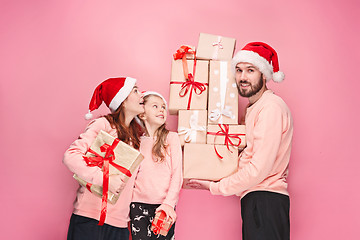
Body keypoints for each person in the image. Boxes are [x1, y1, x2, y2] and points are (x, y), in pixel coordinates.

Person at [188, 42, 293, 240]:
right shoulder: (255, 108)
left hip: (266, 200)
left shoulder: (270, 108)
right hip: (257, 200)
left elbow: (258, 169)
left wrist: (215, 186)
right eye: (238, 70)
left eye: (250, 70)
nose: (243, 77)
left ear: (264, 74)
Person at [63, 77, 144, 240]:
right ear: (123, 101)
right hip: (90, 219)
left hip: (120, 225)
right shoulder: (103, 125)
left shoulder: (137, 138)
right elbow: (70, 156)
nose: (141, 94)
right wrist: (105, 180)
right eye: (135, 90)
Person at [130, 91, 183, 240]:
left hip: (164, 207)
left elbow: (177, 175)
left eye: (163, 107)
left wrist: (169, 204)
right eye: (155, 106)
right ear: (142, 114)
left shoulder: (172, 138)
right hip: (138, 205)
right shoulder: (136, 142)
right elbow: (131, 177)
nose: (161, 110)